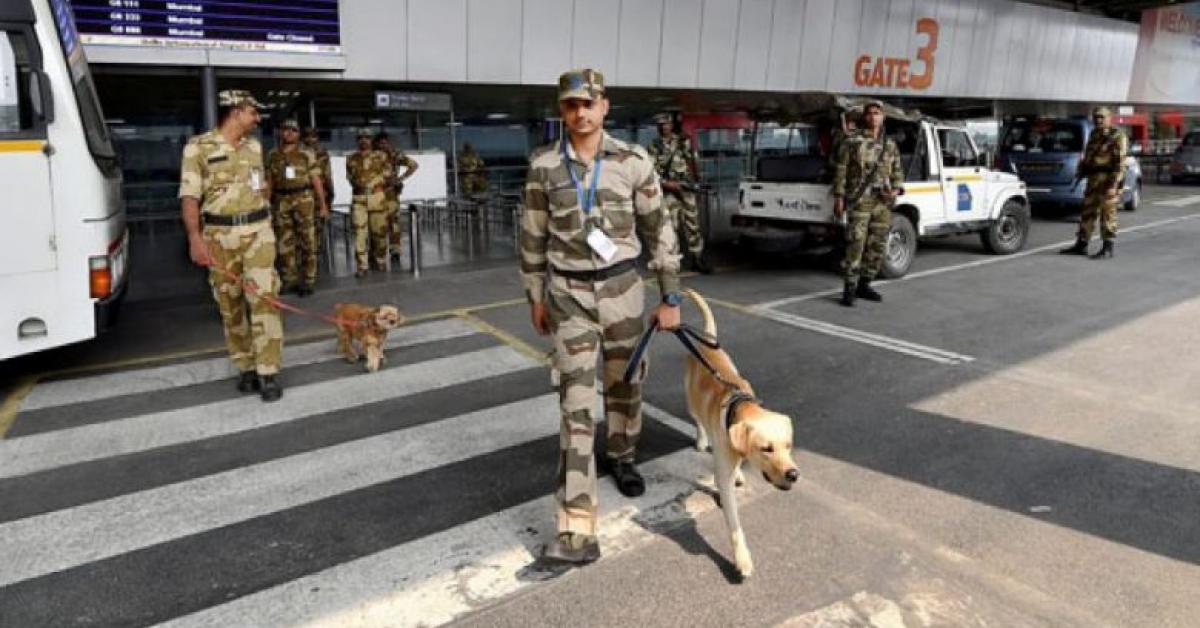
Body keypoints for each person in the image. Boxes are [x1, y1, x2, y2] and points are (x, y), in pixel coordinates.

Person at [521, 68, 682, 565]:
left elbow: (660, 229)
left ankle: (624, 456)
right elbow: (532, 237)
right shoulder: (544, 166)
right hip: (569, 295)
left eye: (588, 103)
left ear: (604, 106)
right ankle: (576, 530)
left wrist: (670, 295)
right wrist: (535, 297)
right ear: (561, 111)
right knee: (574, 407)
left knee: (625, 386)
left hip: (624, 292)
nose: (580, 113)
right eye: (570, 105)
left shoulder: (633, 161)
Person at [179, 90, 284, 402]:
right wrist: (195, 238)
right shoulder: (197, 147)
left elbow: (260, 184)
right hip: (220, 237)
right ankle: (246, 367)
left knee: (265, 299)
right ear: (236, 112)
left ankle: (268, 371)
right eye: (254, 112)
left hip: (258, 232)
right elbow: (189, 197)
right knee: (231, 304)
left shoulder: (254, 147)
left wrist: (263, 203)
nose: (258, 118)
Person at [831, 100, 901, 307]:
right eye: (870, 113)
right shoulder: (852, 141)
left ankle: (865, 284)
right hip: (860, 200)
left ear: (883, 117)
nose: (873, 117)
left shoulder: (889, 144)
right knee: (856, 243)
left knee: (877, 245)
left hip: (882, 202)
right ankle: (849, 289)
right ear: (865, 117)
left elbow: (897, 170)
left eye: (877, 113)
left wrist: (895, 190)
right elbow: (841, 170)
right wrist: (839, 197)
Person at [266, 119, 329, 296]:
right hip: (281, 200)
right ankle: (290, 279)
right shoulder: (272, 154)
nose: (289, 133)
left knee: (307, 241)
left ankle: (308, 280)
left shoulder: (306, 153)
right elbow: (269, 180)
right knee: (284, 243)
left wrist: (323, 205)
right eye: (286, 129)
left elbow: (316, 179)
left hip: (303, 199)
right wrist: (265, 204)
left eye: (294, 130)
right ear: (280, 132)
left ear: (298, 134)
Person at [1059, 106, 1128, 259]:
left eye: (1102, 117)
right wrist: (1081, 171)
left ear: (1110, 118)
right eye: (1096, 117)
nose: (1099, 120)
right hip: (1094, 179)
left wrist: (1114, 185)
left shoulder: (1117, 136)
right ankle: (1081, 244)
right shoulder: (1094, 134)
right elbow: (1089, 155)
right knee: (1087, 212)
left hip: (1108, 180)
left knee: (1107, 214)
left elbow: (1120, 164)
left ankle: (1108, 247)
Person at [647, 113, 712, 274]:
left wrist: (697, 182)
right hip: (668, 190)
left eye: (666, 124)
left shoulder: (683, 142)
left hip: (686, 187)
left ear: (671, 125)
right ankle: (674, 261)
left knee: (693, 225)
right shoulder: (654, 147)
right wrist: (667, 184)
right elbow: (651, 173)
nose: (664, 127)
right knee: (671, 226)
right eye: (660, 125)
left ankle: (697, 258)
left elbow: (693, 161)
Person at [346, 130, 392, 277]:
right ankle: (362, 266)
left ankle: (380, 260)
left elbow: (388, 174)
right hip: (359, 198)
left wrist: (376, 183)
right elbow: (350, 177)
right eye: (360, 138)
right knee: (360, 233)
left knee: (379, 232)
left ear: (371, 140)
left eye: (367, 137)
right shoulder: (351, 158)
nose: (363, 140)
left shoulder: (381, 155)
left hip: (376, 197)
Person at [374, 133, 418, 263]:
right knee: (376, 222)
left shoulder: (394, 155)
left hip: (391, 193)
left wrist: (400, 179)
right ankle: (378, 250)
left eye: (385, 142)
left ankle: (395, 250)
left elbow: (414, 165)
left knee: (394, 223)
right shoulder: (372, 156)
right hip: (375, 193)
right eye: (381, 143)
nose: (383, 145)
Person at [302, 127, 334, 261]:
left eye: (313, 136)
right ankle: (306, 251)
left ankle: (315, 251)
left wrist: (330, 194)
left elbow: (327, 174)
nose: (311, 139)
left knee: (318, 225)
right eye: (308, 136)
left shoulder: (322, 153)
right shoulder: (299, 152)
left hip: (320, 193)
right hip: (303, 194)